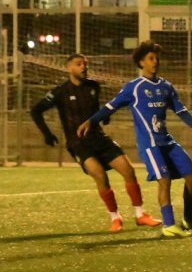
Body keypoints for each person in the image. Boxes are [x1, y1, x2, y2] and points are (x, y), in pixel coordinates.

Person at [77, 40, 192, 238]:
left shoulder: (166, 87)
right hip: (150, 144)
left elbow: (181, 110)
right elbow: (110, 107)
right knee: (164, 180)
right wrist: (90, 121)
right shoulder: (134, 88)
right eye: (150, 58)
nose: (155, 61)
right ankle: (168, 225)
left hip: (167, 141)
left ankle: (189, 219)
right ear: (141, 63)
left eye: (157, 58)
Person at [30, 53, 161, 232]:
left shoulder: (94, 86)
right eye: (78, 64)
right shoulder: (60, 92)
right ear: (68, 68)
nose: (84, 67)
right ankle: (115, 218)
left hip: (99, 138)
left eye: (85, 64)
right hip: (78, 143)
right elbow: (35, 110)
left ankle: (140, 214)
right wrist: (47, 133)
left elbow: (96, 108)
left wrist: (104, 118)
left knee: (128, 170)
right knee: (100, 174)